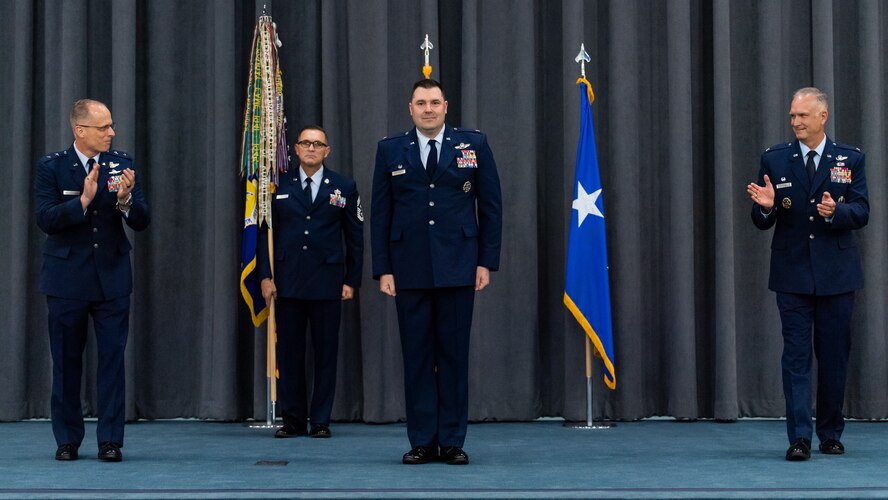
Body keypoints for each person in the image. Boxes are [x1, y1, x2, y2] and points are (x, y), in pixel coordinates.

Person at [371, 79, 502, 465]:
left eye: (434, 102)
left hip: (459, 266)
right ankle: (422, 441)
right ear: (409, 108)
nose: (428, 109)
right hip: (407, 268)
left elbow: (491, 206)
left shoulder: (473, 146)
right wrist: (383, 269)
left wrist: (485, 261)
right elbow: (380, 214)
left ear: (446, 106)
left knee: (453, 357)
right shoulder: (390, 149)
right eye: (420, 103)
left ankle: (452, 440)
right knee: (416, 357)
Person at [747, 87, 869, 461]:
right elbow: (760, 219)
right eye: (792, 116)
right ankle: (799, 437)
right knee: (796, 359)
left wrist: (838, 214)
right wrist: (766, 209)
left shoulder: (849, 158)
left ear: (822, 117)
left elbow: (862, 210)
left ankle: (830, 432)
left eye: (802, 115)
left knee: (833, 357)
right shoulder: (776, 160)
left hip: (836, 275)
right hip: (793, 275)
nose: (795, 122)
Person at [34, 99, 150, 462]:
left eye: (112, 126)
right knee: (67, 362)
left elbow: (142, 221)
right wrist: (82, 201)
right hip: (67, 279)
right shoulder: (52, 167)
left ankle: (110, 441)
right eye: (104, 128)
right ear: (80, 131)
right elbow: (45, 219)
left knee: (112, 362)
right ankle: (67, 439)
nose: (112, 133)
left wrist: (127, 200)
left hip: (112, 278)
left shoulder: (124, 165)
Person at [258, 125, 363, 439]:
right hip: (287, 282)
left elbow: (355, 237)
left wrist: (351, 280)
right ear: (296, 149)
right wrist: (265, 275)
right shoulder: (278, 186)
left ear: (327, 151)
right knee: (290, 354)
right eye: (306, 143)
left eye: (318, 144)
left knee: (326, 353)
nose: (312, 148)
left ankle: (320, 420)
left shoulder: (344, 186)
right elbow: (263, 234)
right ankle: (292, 419)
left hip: (328, 282)